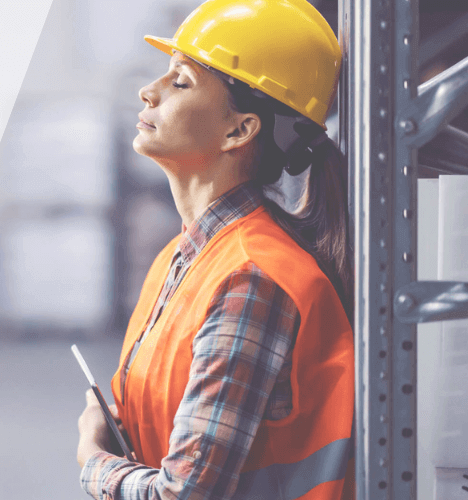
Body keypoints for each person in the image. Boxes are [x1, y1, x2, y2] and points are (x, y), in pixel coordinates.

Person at [76, 1, 354, 499]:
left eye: (180, 81)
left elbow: (181, 495)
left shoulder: (251, 278)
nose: (149, 91)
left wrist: (92, 458)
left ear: (240, 130)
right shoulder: (182, 258)